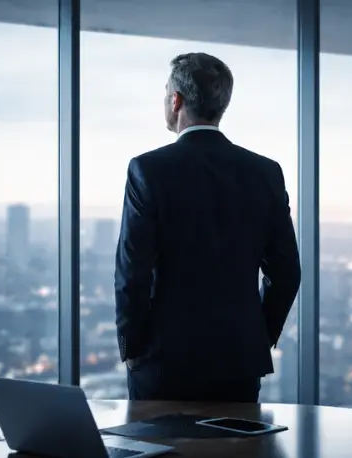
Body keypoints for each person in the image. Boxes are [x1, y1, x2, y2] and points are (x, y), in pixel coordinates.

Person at [115, 52, 301, 402]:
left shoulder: (148, 170)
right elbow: (287, 272)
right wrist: (258, 336)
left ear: (176, 100)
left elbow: (132, 274)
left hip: (163, 361)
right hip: (239, 361)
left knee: (161, 453)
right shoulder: (265, 173)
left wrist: (131, 347)